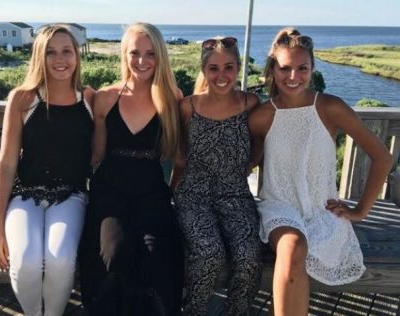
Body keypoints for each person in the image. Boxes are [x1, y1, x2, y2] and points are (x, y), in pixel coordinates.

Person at [248, 27, 393, 316]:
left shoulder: (330, 108)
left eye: (302, 68)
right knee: (292, 248)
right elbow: (247, 163)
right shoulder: (262, 116)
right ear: (272, 69)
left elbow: (382, 158)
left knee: (298, 252)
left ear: (313, 67)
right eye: (285, 68)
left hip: (321, 210)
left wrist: (360, 210)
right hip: (279, 207)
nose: (293, 77)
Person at [0, 24, 95, 316]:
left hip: (70, 196)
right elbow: (7, 162)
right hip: (25, 195)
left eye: (67, 51)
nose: (60, 59)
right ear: (39, 56)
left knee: (60, 259)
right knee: (25, 260)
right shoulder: (23, 99)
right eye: (50, 52)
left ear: (77, 56)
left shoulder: (89, 99)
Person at [79, 22, 183, 315]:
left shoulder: (171, 97)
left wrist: (172, 193)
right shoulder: (106, 97)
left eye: (150, 53)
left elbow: (176, 155)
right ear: (124, 54)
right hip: (110, 192)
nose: (142, 61)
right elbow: (96, 155)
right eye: (134, 52)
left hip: (151, 193)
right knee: (115, 254)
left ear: (160, 56)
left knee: (156, 255)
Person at [171, 36, 262, 315]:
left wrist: (246, 167)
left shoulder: (251, 104)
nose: (221, 75)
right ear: (204, 70)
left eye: (229, 67)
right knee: (209, 252)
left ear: (237, 68)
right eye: (214, 68)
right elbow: (180, 157)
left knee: (248, 256)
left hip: (236, 194)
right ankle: (194, 310)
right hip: (193, 195)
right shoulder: (188, 106)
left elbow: (258, 145)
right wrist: (170, 193)